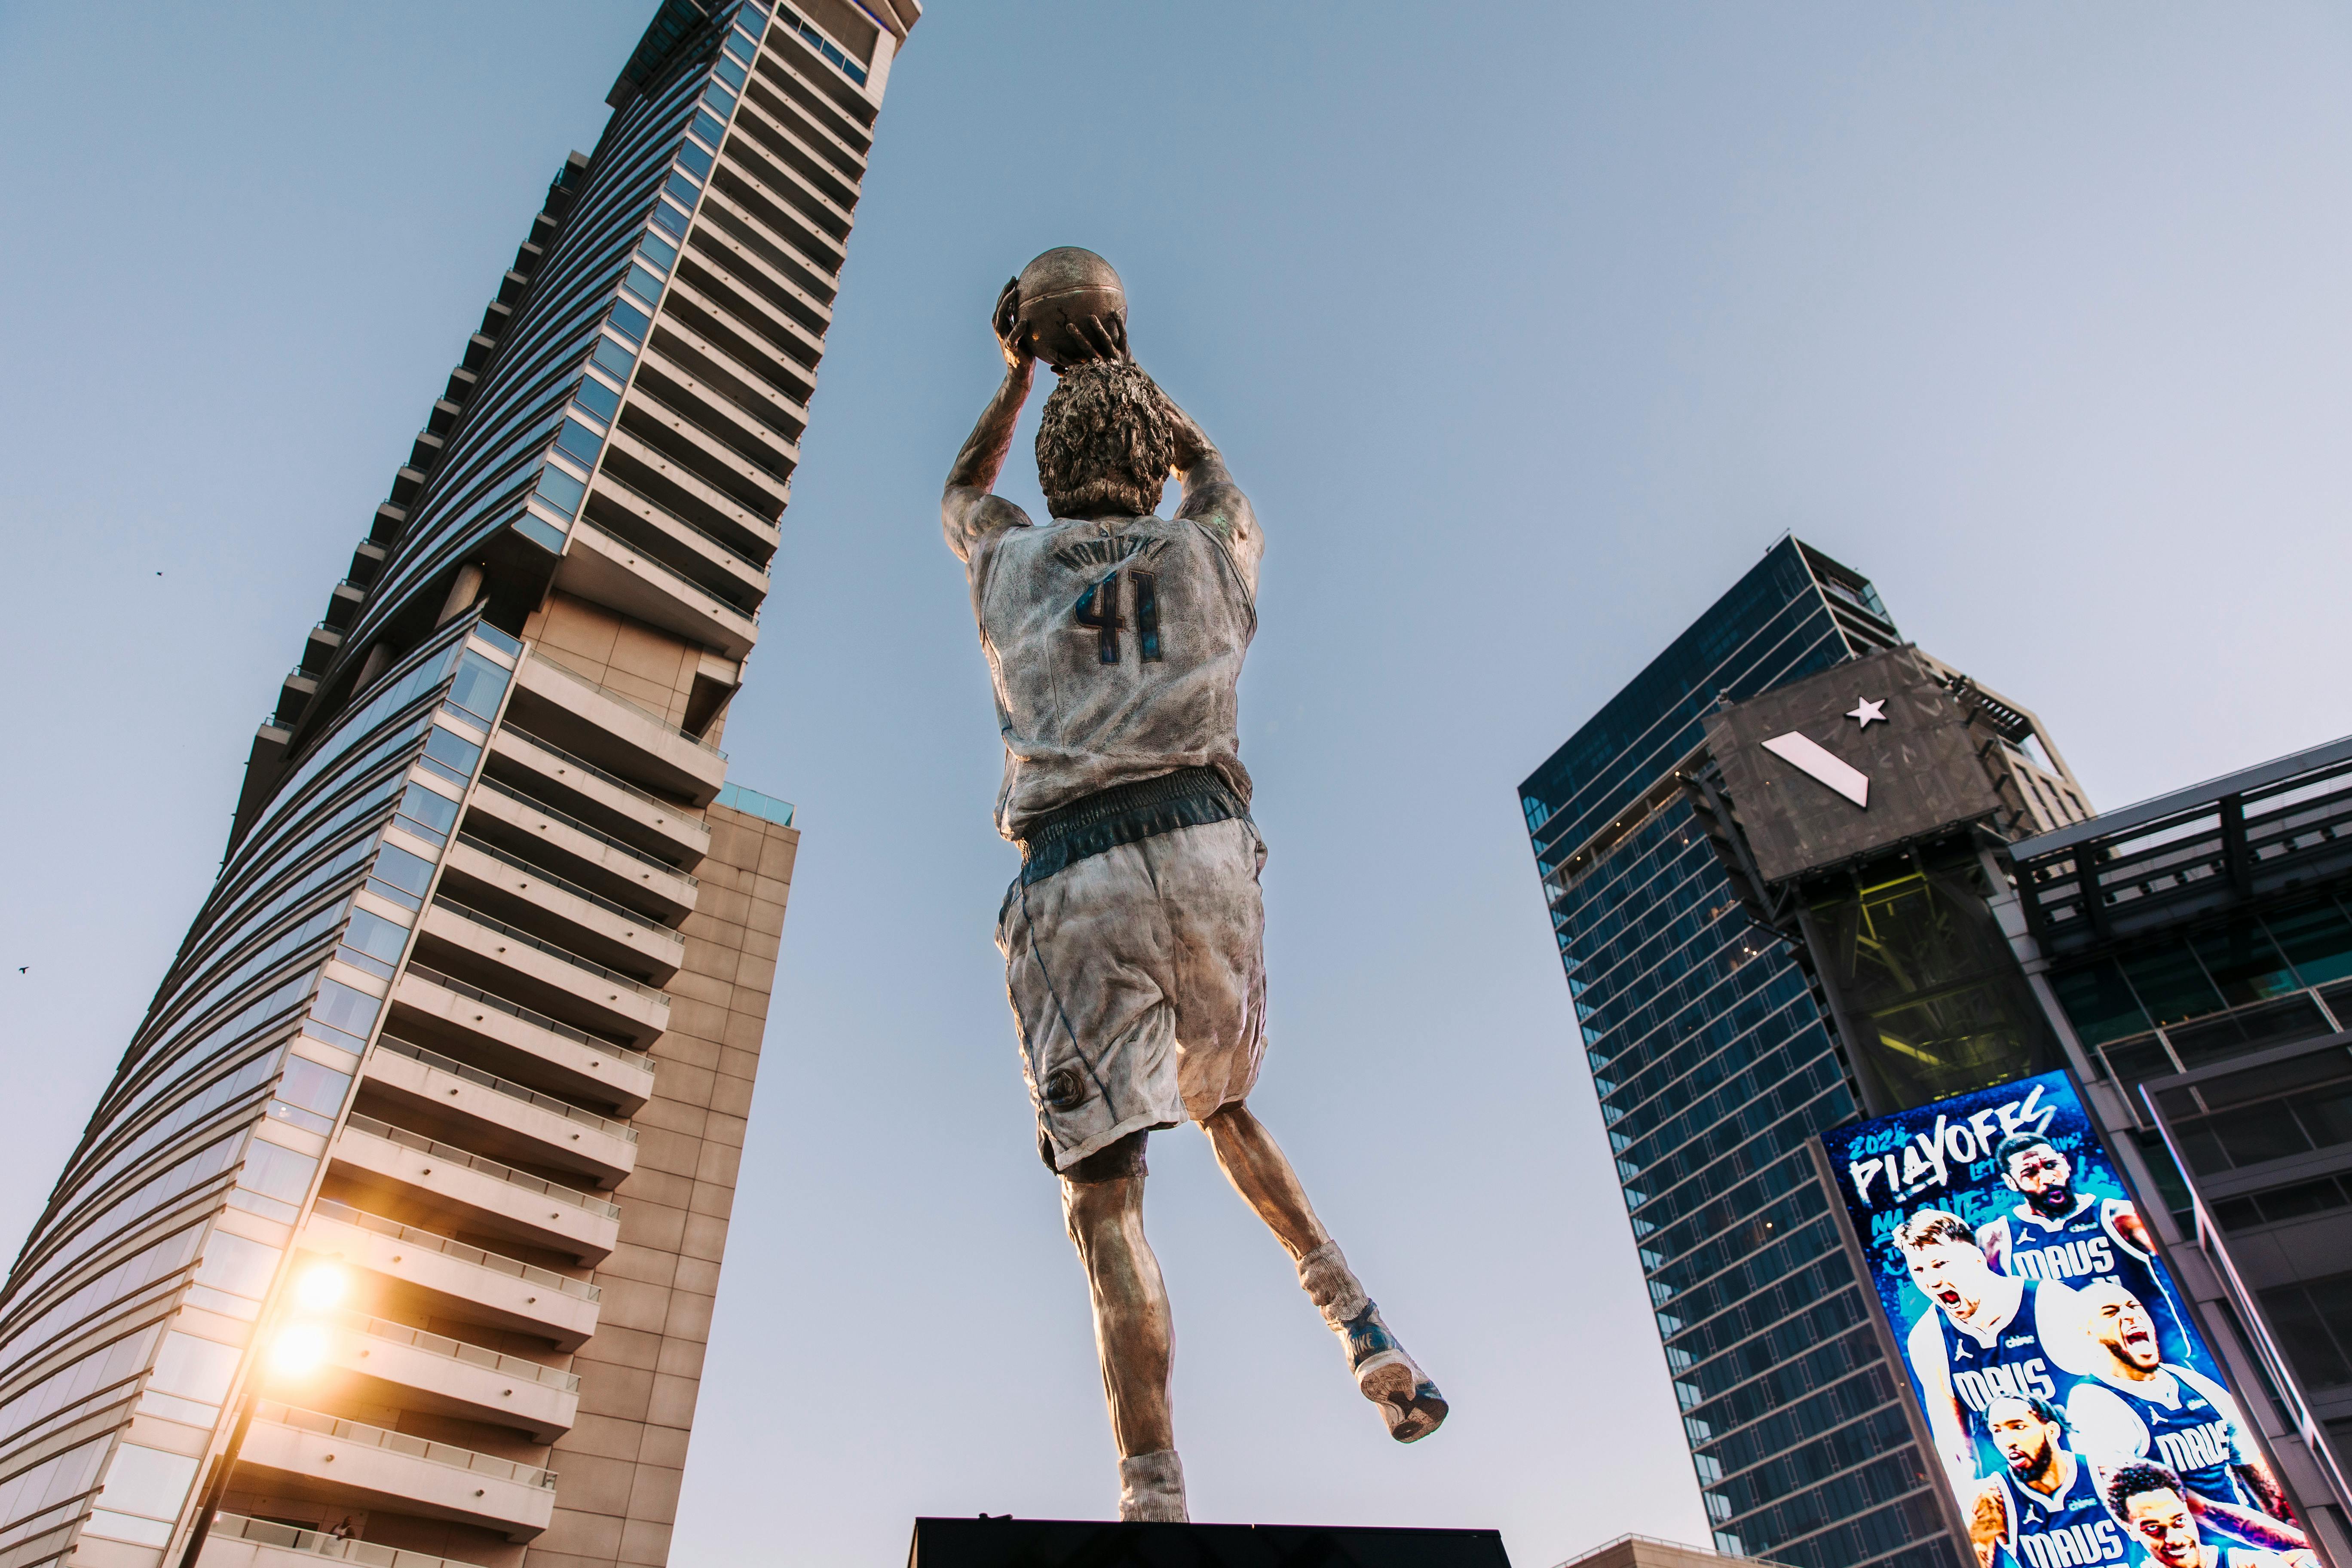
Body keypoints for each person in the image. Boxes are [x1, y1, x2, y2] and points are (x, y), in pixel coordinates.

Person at [940, 277, 1445, 1522]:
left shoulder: (1009, 559)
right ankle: (1362, 1327)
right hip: (1207, 845)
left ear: (1051, 473)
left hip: (1076, 869)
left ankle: (1154, 1494)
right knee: (1225, 1101)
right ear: (1154, 466)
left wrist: (1017, 373)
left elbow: (959, 491)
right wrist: (1140, 381)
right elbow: (1221, 479)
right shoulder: (1204, 549)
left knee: (1106, 1198)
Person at [2067, 1283, 2298, 1534]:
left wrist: (2292, 1530)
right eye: (2111, 1313)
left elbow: (2256, 1469)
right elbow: (2128, 1504)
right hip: (2188, 1549)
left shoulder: (2194, 1383)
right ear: (2088, 1333)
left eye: (2134, 1307)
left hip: (2253, 1545)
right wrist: (2273, 1539)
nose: (2130, 1315)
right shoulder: (2093, 1402)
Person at [1898, 1208, 2094, 1501]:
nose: (1932, 1281)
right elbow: (1953, 1445)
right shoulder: (1928, 1338)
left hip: (2085, 1478)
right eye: (1920, 1271)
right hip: (2015, 1498)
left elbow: (2111, 1394)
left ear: (1977, 1259)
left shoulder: (2052, 1302)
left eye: (1940, 1264)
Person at [1979, 1133, 2187, 1362]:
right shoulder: (1996, 1238)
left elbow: (2184, 1258)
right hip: (2071, 1366)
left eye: (2051, 1165)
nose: (2048, 1178)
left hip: (2153, 1353)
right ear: (2011, 1182)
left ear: (2065, 1164)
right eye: (2030, 1173)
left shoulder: (2119, 1215)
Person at [1971, 1393, 2129, 1568]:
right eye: (1998, 1431)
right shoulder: (1993, 1498)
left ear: (2051, 1430)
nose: (2008, 1442)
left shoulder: (2108, 1476)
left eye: (2019, 1427)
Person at [2106, 1464, 2319, 1568]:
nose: (2174, 1539)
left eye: (2179, 1521)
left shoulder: (2251, 1565)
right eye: (2153, 1528)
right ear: (2129, 1530)